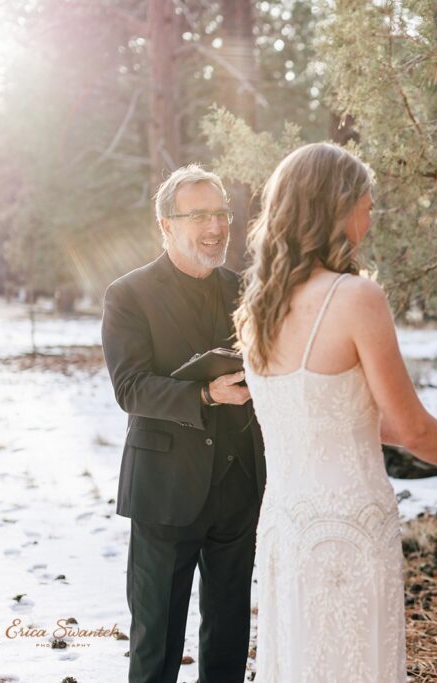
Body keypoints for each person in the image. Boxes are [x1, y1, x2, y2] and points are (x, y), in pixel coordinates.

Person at [234, 142, 437, 682]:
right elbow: (410, 428)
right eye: (365, 199)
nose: (371, 212)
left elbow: (335, 414)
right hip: (351, 522)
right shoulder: (356, 297)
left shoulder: (256, 308)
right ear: (335, 208)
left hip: (287, 520)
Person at [101, 164, 265, 683]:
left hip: (238, 489)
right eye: (200, 216)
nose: (215, 227)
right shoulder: (127, 295)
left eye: (221, 214)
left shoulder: (245, 291)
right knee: (156, 643)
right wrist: (203, 392)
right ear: (166, 225)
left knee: (229, 637)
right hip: (165, 492)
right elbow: (130, 389)